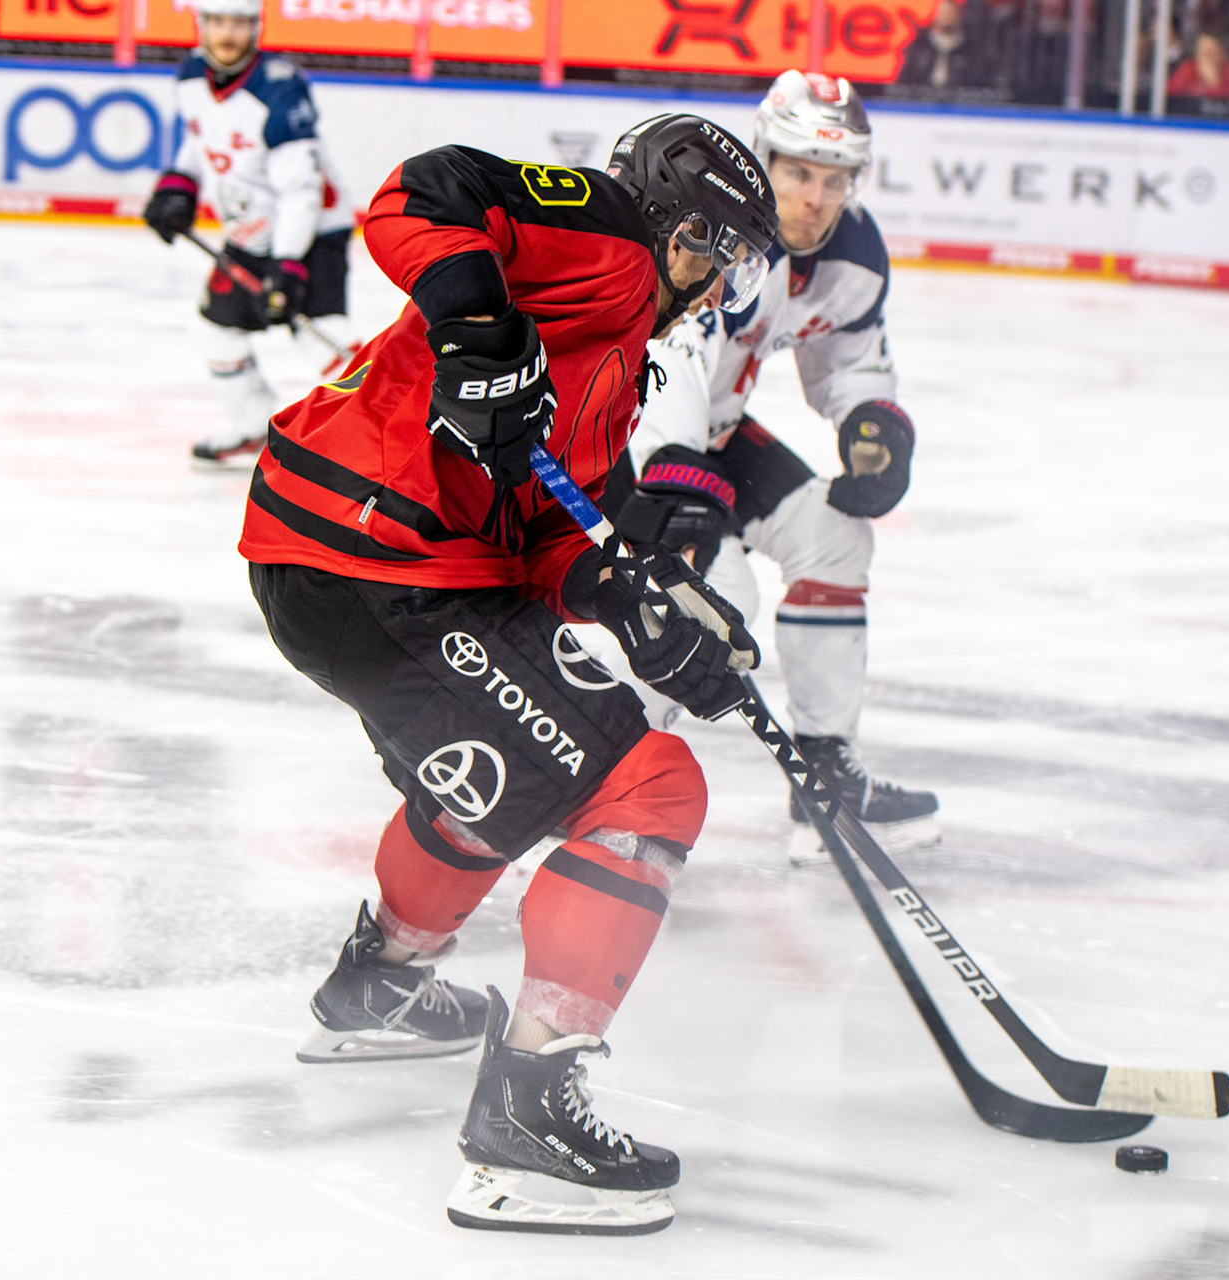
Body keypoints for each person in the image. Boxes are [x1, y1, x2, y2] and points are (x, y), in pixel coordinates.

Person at [239, 117, 777, 1234]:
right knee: (650, 787)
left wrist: (634, 603)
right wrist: (478, 333)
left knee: (504, 775)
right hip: (377, 559)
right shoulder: (612, 238)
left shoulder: (620, 365)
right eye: (720, 254)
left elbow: (542, 533)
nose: (721, 287)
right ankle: (526, 1125)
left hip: (347, 562)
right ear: (680, 229)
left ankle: (374, 989)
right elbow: (426, 190)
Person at [608, 71, 940, 858]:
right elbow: (673, 359)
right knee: (711, 592)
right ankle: (594, 771)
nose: (816, 199)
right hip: (623, 432)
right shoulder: (716, 225)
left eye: (835, 180)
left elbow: (850, 361)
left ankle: (823, 771)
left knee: (836, 538)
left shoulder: (854, 252)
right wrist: (675, 471)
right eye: (797, 174)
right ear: (765, 157)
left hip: (711, 436)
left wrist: (873, 424)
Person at [141, 0, 357, 464]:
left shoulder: (280, 89)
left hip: (311, 233)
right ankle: (250, 426)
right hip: (249, 234)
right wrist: (177, 187)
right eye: (217, 22)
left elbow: (301, 190)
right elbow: (200, 142)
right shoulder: (191, 77)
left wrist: (288, 265)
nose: (227, 34)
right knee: (218, 332)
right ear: (201, 24)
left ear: (256, 28)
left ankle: (378, 440)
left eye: (239, 23)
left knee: (322, 338)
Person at [898, 0, 1000, 92]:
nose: (945, 17)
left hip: (958, 104)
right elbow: (904, 81)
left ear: (959, 16)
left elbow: (977, 82)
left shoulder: (971, 48)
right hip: (919, 102)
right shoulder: (920, 46)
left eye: (949, 13)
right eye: (942, 13)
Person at [1168, 32, 1229, 98]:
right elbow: (1171, 96)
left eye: (1212, 54)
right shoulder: (1187, 68)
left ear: (1223, 55)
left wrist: (1214, 84)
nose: (1207, 59)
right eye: (1203, 53)